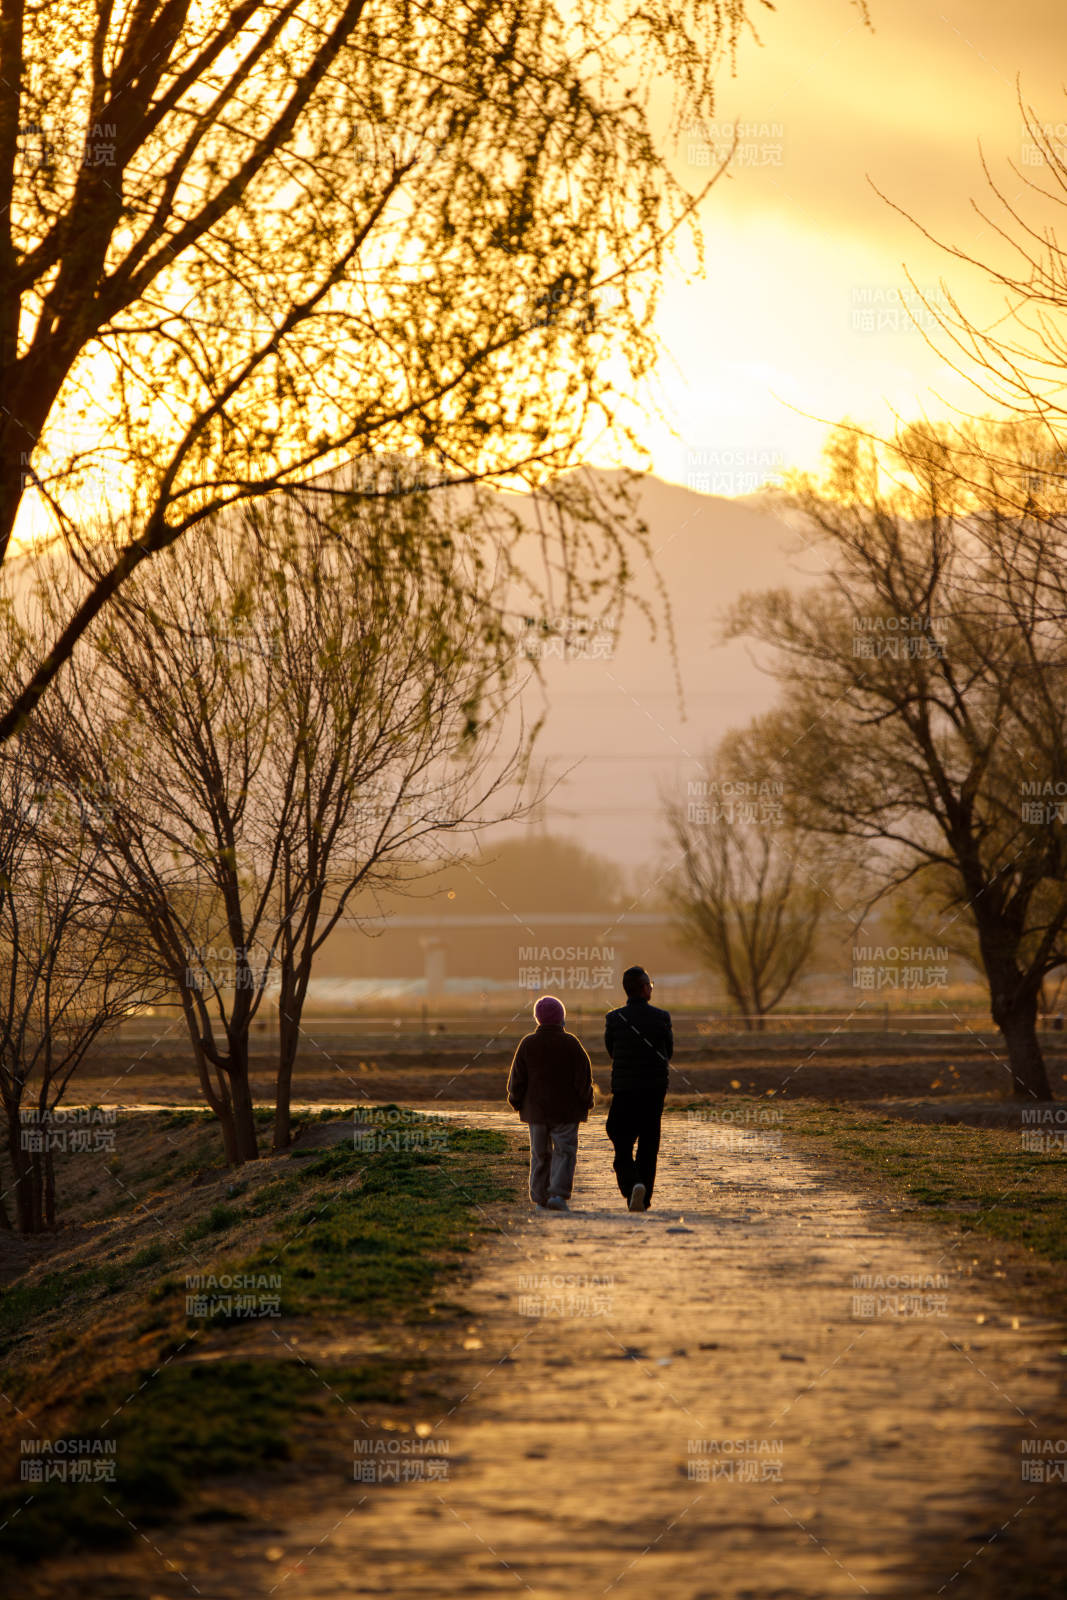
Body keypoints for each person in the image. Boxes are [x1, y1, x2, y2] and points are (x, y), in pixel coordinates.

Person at [507, 995, 595, 1212]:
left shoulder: (527, 1044)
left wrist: (516, 1101)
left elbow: (517, 1078)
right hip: (567, 1112)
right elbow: (583, 1078)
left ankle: (540, 1197)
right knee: (565, 1152)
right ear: (561, 1018)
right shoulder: (572, 1044)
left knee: (539, 1154)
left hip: (536, 1112)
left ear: (538, 1019)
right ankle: (558, 1194)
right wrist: (587, 1101)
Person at [604, 966, 672, 1212]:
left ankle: (632, 1184)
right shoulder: (662, 1017)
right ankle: (642, 1195)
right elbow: (668, 1053)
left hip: (624, 1091)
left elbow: (612, 1051)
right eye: (650, 984)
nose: (650, 988)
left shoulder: (614, 1019)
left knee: (619, 1136)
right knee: (648, 1143)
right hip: (654, 1092)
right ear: (644, 989)